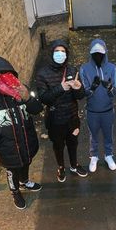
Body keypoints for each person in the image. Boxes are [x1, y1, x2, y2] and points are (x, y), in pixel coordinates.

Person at [0, 55, 43, 210]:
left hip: (27, 142)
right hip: (5, 148)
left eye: (7, 73)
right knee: (12, 170)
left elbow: (37, 110)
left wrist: (27, 97)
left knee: (26, 162)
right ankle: (15, 191)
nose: (4, 78)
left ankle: (25, 181)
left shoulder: (21, 88)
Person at [36, 39, 88, 182]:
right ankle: (61, 167)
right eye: (57, 51)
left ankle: (74, 164)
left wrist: (78, 88)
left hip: (72, 117)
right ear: (51, 53)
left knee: (73, 143)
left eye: (63, 51)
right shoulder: (42, 74)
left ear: (67, 54)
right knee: (58, 145)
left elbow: (80, 96)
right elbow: (43, 98)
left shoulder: (72, 70)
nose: (60, 54)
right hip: (55, 119)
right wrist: (61, 88)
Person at [79, 39, 116, 172]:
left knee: (108, 134)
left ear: (105, 53)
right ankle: (94, 156)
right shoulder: (84, 69)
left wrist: (110, 88)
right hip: (92, 111)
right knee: (93, 135)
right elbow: (85, 93)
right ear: (91, 54)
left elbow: (115, 92)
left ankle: (108, 155)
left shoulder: (112, 68)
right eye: (95, 54)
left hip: (107, 110)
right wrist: (93, 88)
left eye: (100, 54)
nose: (98, 56)